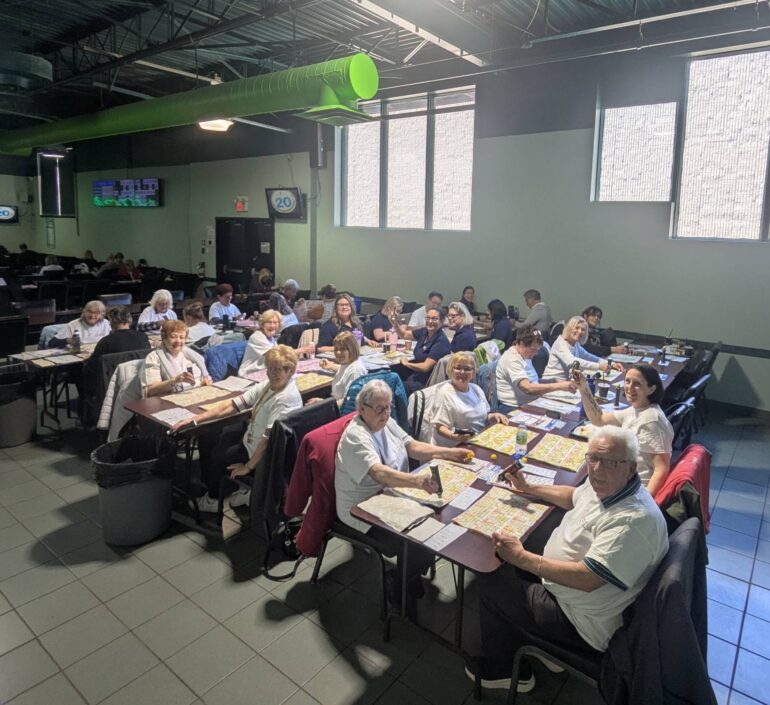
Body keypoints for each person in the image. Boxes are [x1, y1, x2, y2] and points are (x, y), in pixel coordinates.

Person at [468, 426, 668, 695]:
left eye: (609, 462)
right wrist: (528, 487)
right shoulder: (610, 484)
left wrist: (523, 558)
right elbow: (573, 496)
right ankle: (537, 647)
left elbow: (588, 579)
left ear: (631, 468)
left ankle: (503, 669)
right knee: (516, 560)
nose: (597, 469)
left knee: (491, 582)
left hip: (581, 620)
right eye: (593, 458)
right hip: (570, 594)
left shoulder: (634, 520)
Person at [335, 379, 471, 604]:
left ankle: (409, 572)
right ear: (361, 409)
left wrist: (448, 452)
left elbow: (412, 445)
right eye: (379, 408)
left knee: (439, 519)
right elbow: (379, 473)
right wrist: (417, 481)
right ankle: (399, 578)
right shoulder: (356, 435)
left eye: (388, 406)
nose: (386, 412)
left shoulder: (384, 421)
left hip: (388, 495)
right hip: (361, 507)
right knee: (422, 538)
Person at [173, 345, 302, 512]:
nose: (272, 373)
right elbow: (233, 405)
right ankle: (245, 490)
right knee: (225, 438)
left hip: (264, 454)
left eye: (278, 370)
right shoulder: (269, 385)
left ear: (290, 371)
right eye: (269, 368)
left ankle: (213, 499)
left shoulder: (286, 397)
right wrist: (196, 419)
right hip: (254, 441)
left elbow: (267, 440)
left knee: (217, 458)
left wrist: (247, 466)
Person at [576, 363, 674, 497]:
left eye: (637, 384)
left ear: (651, 389)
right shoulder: (636, 409)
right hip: (621, 480)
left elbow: (661, 469)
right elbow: (599, 419)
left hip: (633, 491)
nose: (629, 387)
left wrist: (645, 504)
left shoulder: (652, 420)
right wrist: (583, 388)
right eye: (627, 381)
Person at [431, 352, 509, 446]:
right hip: (456, 446)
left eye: (467, 369)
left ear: (473, 373)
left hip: (478, 439)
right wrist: (455, 437)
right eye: (458, 368)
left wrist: (493, 416)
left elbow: (482, 416)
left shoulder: (476, 389)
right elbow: (440, 427)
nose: (462, 372)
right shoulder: (444, 394)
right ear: (450, 370)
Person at [496, 325, 576, 413]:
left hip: (529, 403)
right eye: (533, 349)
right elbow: (528, 388)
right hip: (512, 408)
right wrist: (560, 386)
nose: (535, 353)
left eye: (537, 350)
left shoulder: (525, 354)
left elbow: (532, 381)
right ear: (521, 344)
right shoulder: (511, 359)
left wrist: (553, 381)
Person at [141, 320, 212, 397]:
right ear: (164, 337)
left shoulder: (190, 354)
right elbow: (150, 390)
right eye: (173, 337)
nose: (178, 341)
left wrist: (205, 381)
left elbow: (202, 377)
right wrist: (175, 380)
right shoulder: (153, 357)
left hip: (198, 395)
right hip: (170, 400)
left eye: (182, 337)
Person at [391, 306, 451, 394]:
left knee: (393, 386)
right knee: (392, 374)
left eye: (434, 319)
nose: (430, 321)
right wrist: (394, 323)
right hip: (415, 375)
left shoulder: (441, 341)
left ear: (442, 321)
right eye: (428, 318)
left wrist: (407, 363)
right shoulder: (424, 332)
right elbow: (404, 335)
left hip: (426, 382)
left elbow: (425, 367)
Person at [543, 316, 623, 381]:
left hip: (566, 384)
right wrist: (599, 366)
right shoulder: (561, 343)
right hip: (551, 383)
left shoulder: (575, 343)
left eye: (583, 329)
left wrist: (611, 364)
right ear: (569, 328)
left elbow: (589, 357)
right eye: (577, 328)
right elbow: (572, 361)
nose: (580, 331)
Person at [319, 331, 368, 403]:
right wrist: (330, 366)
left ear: (352, 349)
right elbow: (345, 370)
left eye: (342, 349)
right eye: (336, 349)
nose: (338, 352)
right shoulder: (347, 363)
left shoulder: (356, 371)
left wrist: (322, 403)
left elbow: (348, 402)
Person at [238, 309, 281, 376]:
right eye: (269, 322)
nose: (272, 326)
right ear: (262, 324)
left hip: (266, 372)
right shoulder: (257, 337)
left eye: (275, 323)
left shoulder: (271, 338)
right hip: (248, 375)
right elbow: (274, 355)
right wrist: (300, 350)